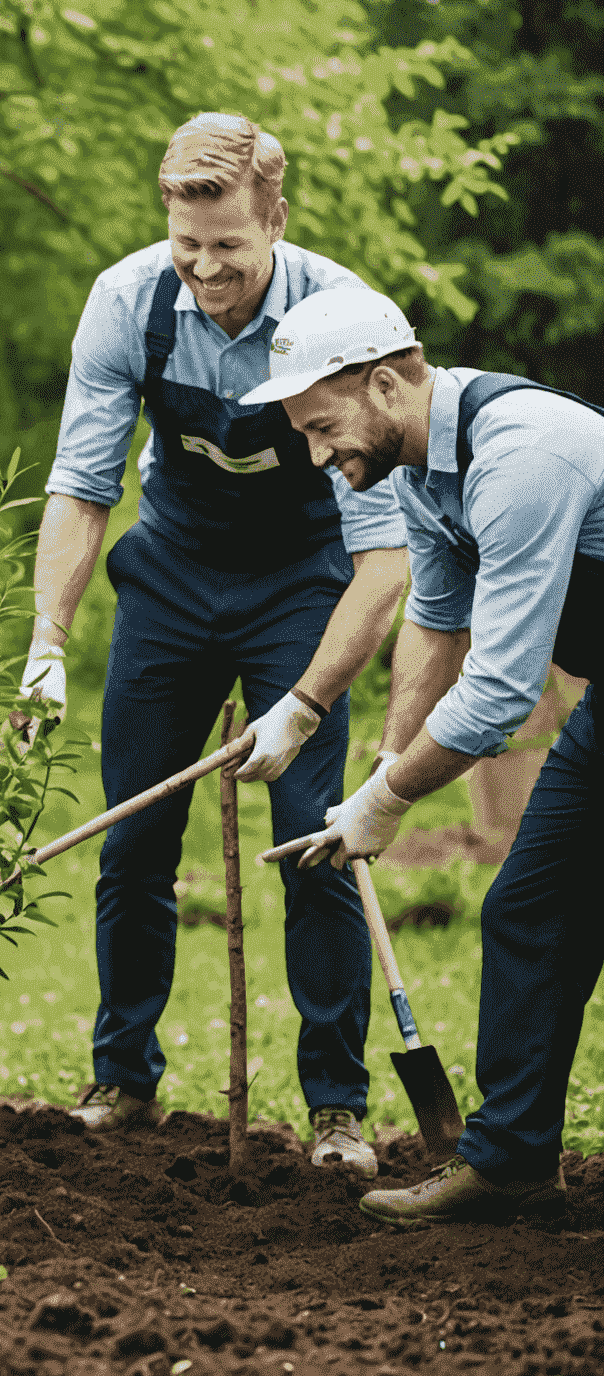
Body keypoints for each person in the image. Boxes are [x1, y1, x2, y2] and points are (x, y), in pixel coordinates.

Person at [21, 113, 409, 1176]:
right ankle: (125, 1077)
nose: (203, 269)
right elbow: (83, 482)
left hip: (303, 582)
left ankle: (335, 1106)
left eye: (228, 246)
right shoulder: (130, 303)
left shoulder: (344, 318)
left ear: (277, 219)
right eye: (186, 244)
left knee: (313, 839)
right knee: (134, 835)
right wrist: (48, 638)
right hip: (174, 577)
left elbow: (385, 555)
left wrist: (311, 702)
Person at [241, 285, 603, 1223]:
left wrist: (388, 802)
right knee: (531, 911)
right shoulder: (419, 472)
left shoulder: (523, 457)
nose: (318, 457)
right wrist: (386, 760)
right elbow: (438, 625)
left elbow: (499, 691)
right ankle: (515, 1163)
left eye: (323, 428)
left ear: (390, 384)